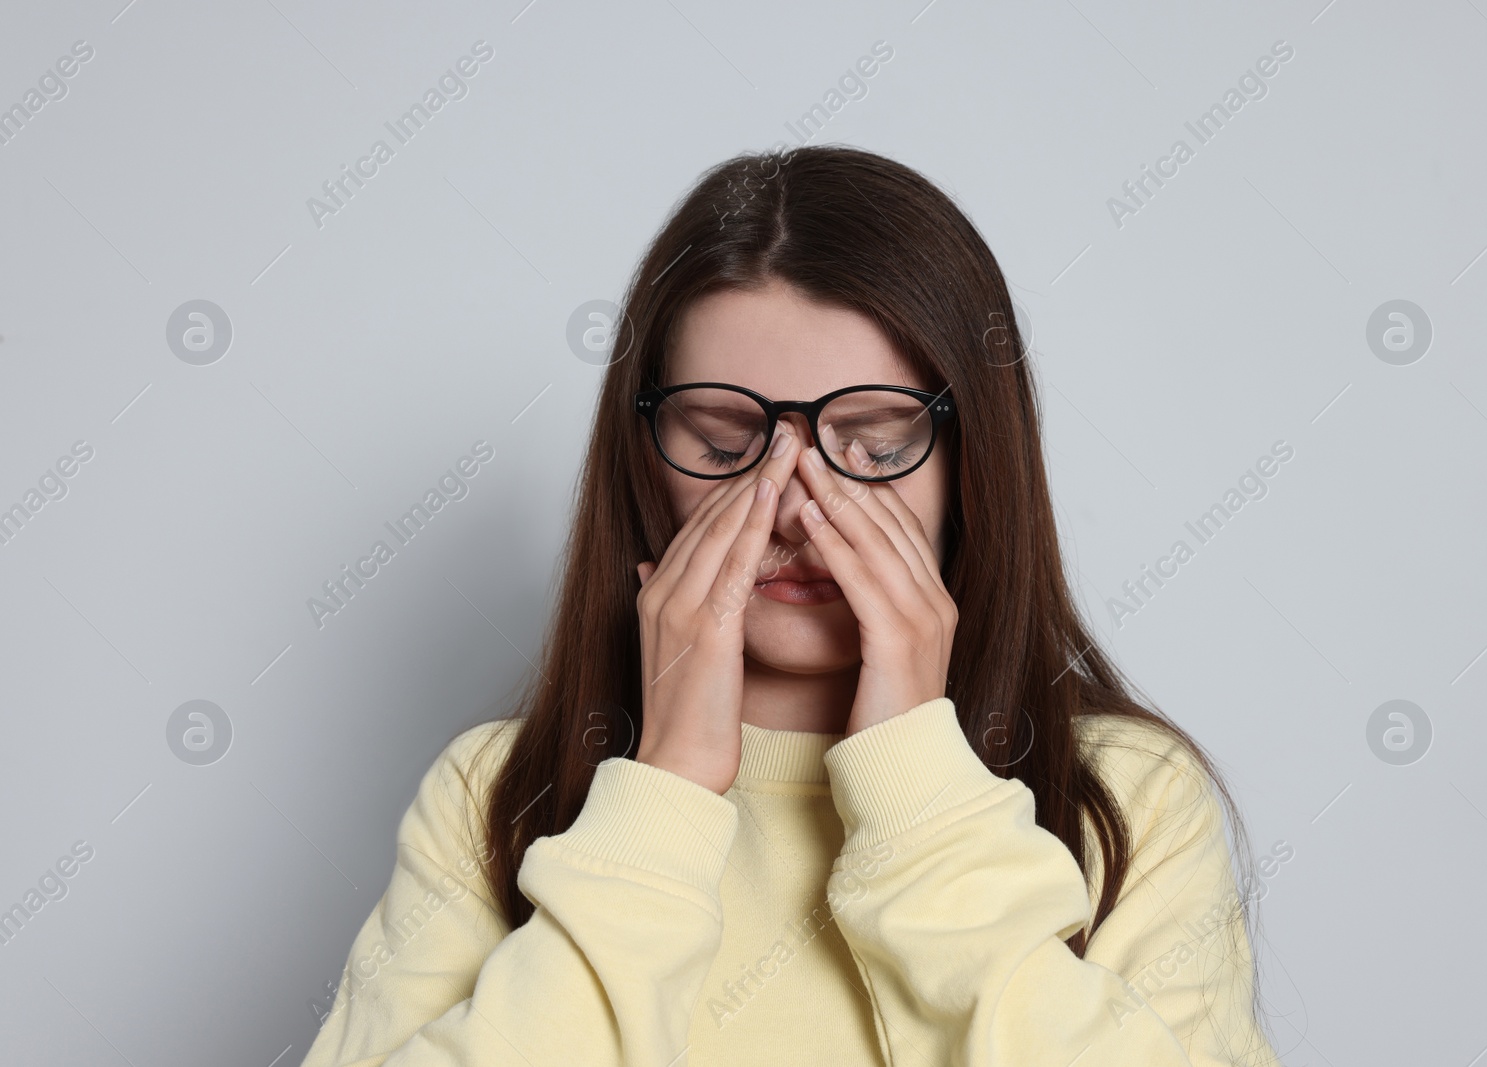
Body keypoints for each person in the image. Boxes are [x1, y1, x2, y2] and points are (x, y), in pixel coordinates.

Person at [299, 144, 1283, 1066]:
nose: (794, 504)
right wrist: (666, 789)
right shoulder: (496, 795)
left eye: (874, 442)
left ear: (972, 459)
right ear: (647, 458)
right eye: (726, 442)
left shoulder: (1128, 797)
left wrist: (915, 779)